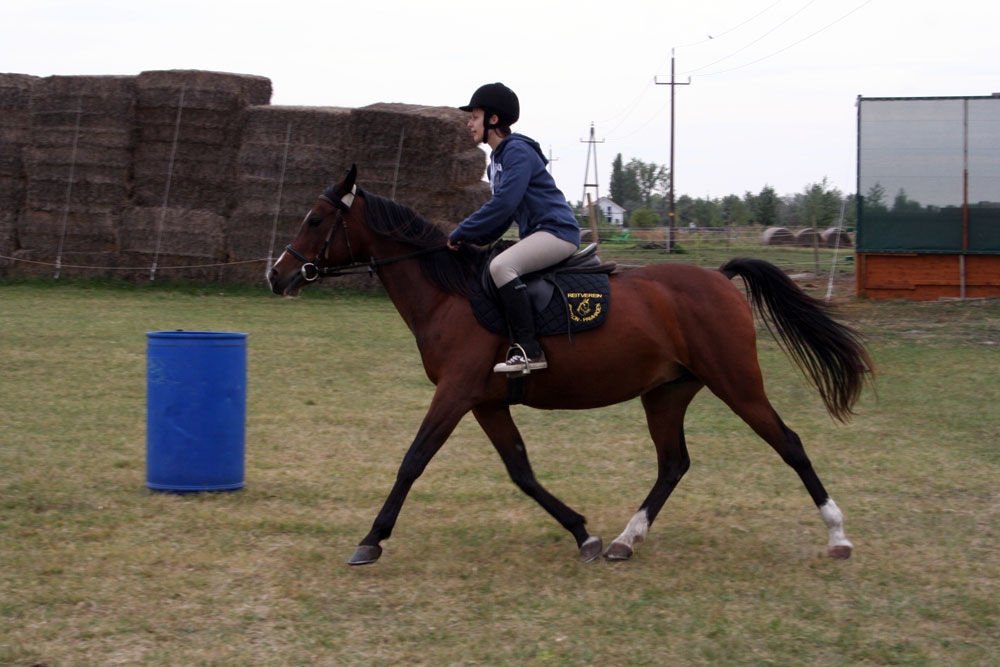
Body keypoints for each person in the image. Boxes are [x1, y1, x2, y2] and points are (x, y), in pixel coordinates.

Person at [447, 83, 581, 374]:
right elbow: (502, 218)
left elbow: (504, 204)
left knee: (501, 268)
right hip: (539, 234)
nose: (469, 123)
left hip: (556, 232)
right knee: (492, 262)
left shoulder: (516, 151)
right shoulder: (496, 161)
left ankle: (530, 350)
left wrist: (462, 230)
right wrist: (472, 241)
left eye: (475, 116)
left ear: (493, 119)